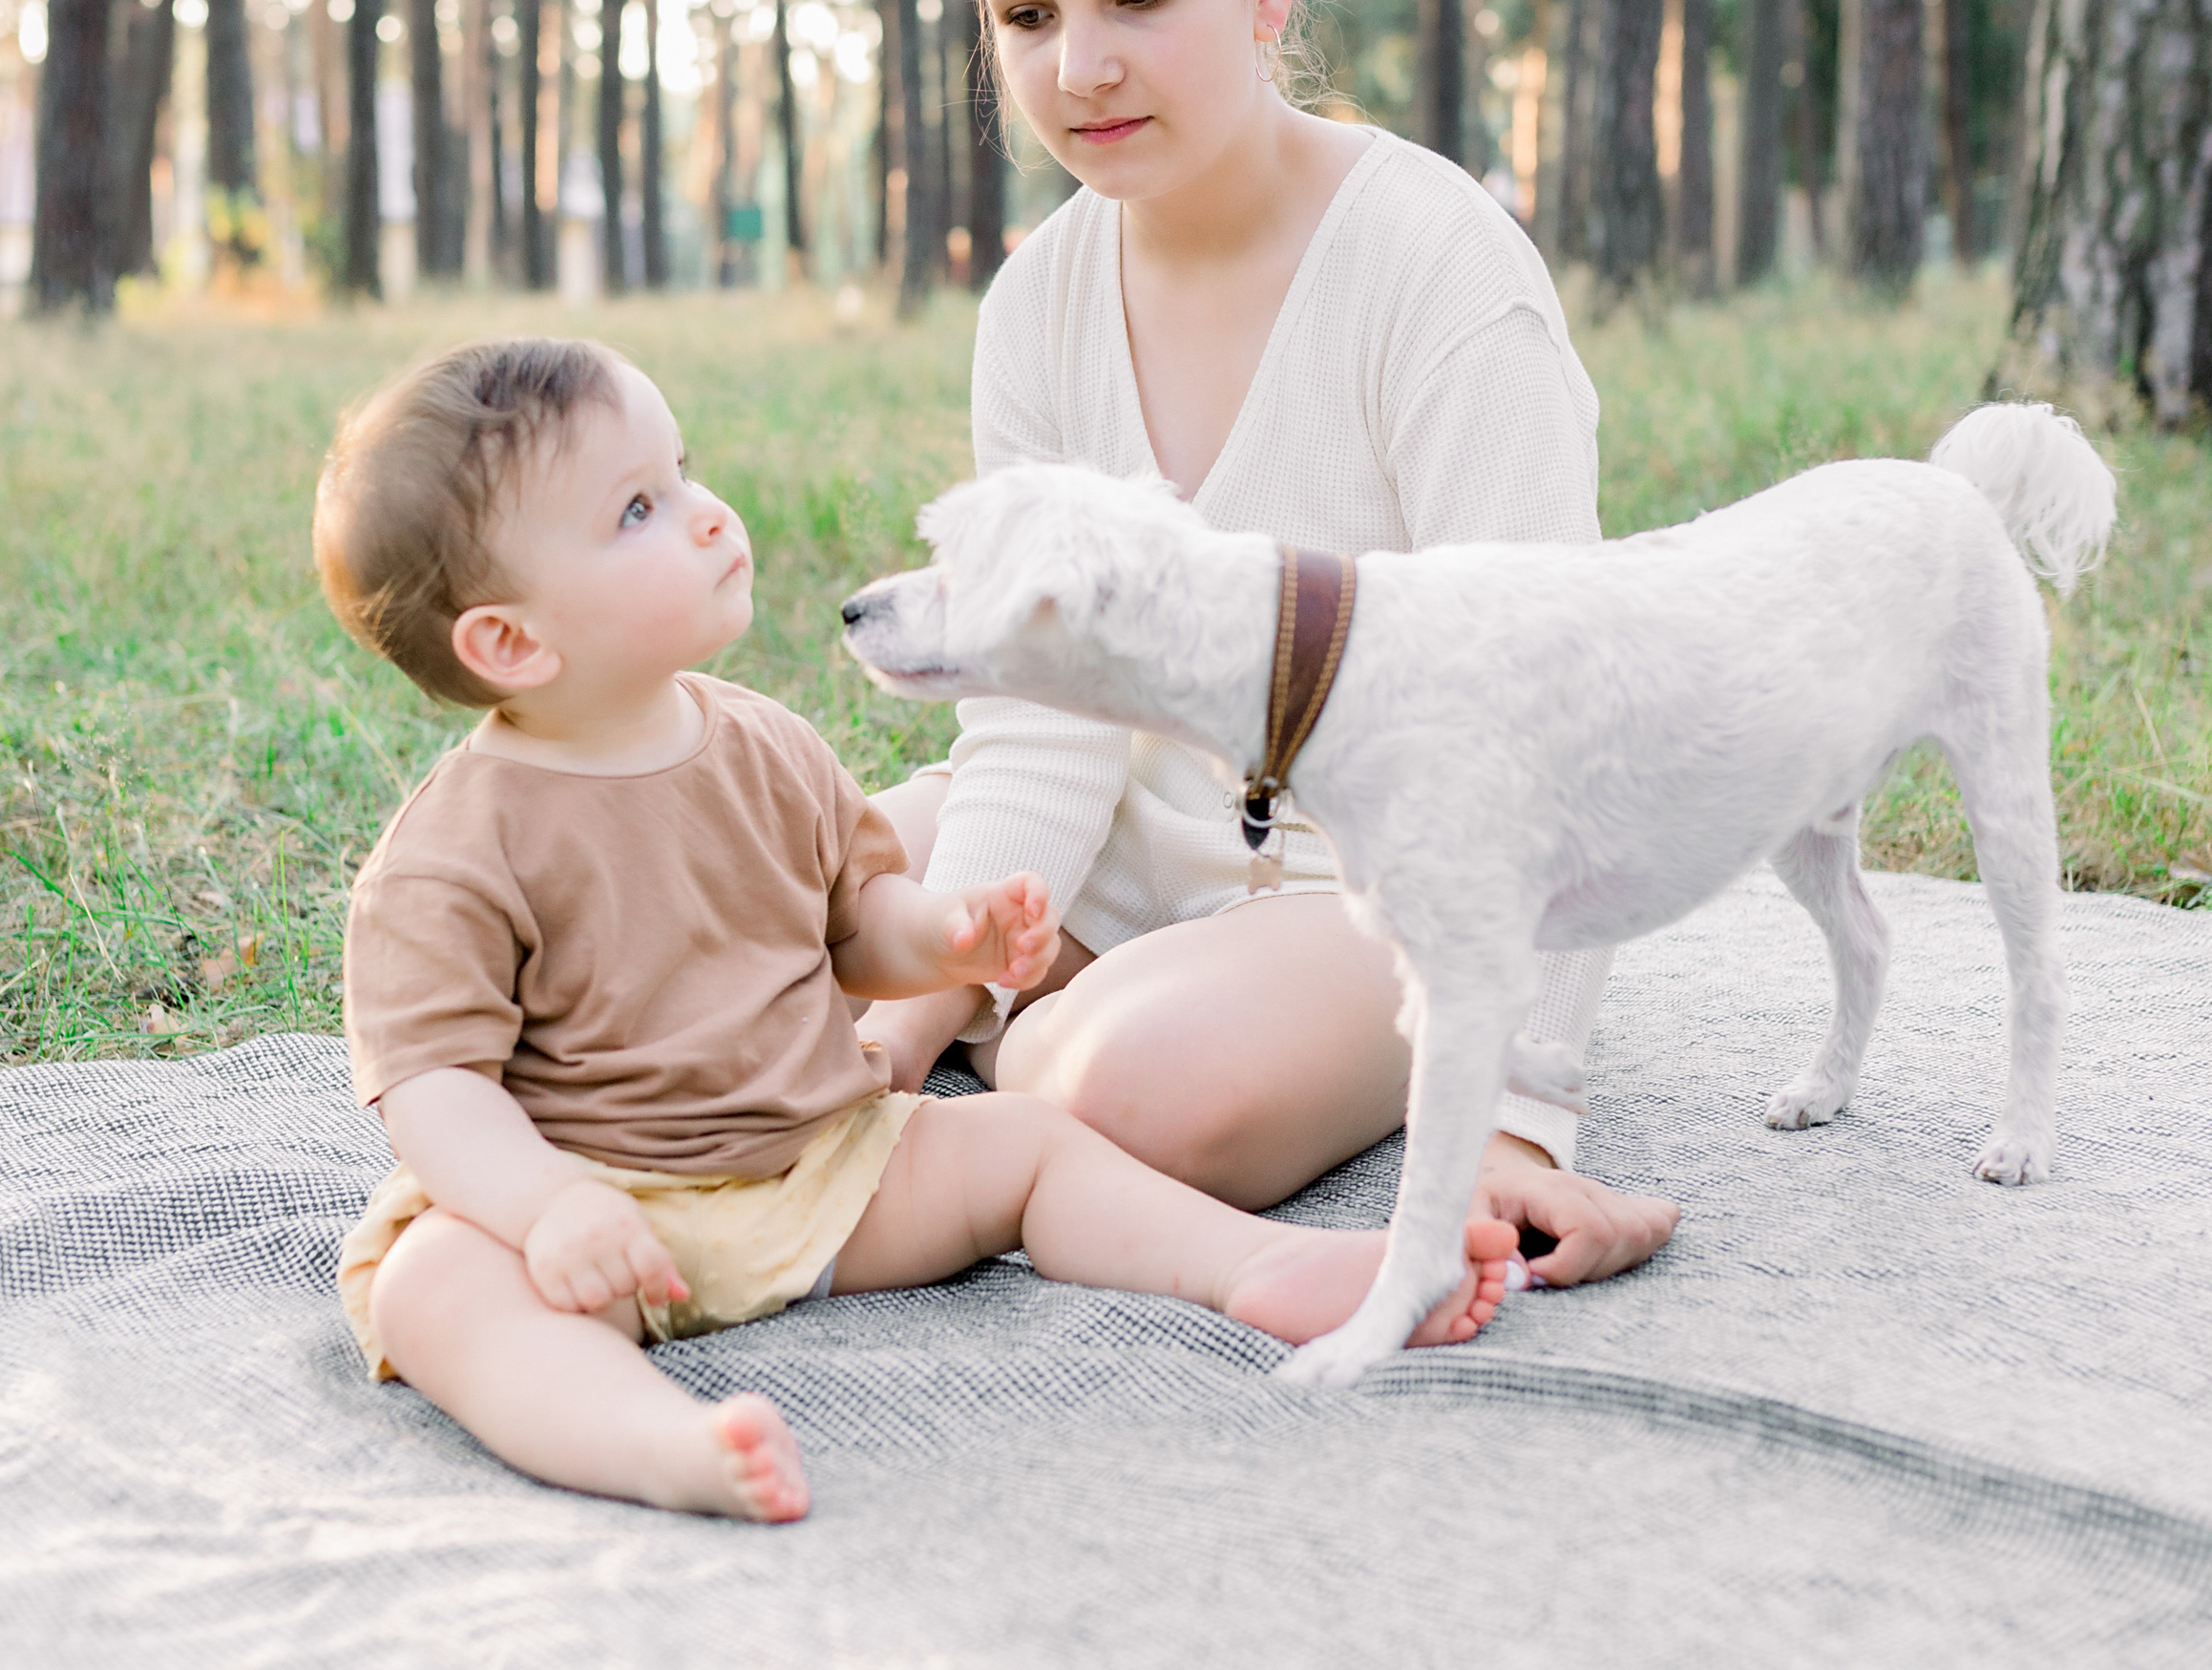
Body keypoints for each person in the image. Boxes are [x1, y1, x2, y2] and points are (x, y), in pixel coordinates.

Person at [313, 339, 1518, 1524]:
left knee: (1024, 1145)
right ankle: (651, 1441)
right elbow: (435, 1092)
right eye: (638, 507)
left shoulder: (763, 746)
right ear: (510, 642)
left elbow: (850, 926)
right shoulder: (455, 851)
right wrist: (542, 1210)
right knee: (438, 1285)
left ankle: (1250, 1266)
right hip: (601, 1210)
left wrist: (943, 939)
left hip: (821, 1167)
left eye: (683, 471)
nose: (708, 516)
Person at [862, 0, 1680, 1286]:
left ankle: (1036, 1076)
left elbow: (1552, 715)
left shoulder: (1435, 270)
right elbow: (1040, 711)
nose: (1079, 66)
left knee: (1135, 1090)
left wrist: (1516, 1124)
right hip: (1116, 864)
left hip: (1371, 886)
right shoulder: (1033, 309)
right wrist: (901, 1019)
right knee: (783, 897)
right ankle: (1015, 1046)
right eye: (1023, 13)